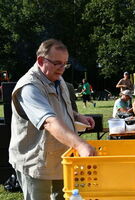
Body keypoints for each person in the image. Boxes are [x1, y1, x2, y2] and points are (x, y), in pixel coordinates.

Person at [9, 39, 96, 200]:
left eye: (65, 64)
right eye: (57, 63)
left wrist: (77, 116)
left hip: (61, 157)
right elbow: (48, 120)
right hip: (35, 161)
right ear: (41, 61)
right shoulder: (29, 87)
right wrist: (81, 145)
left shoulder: (57, 78)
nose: (62, 69)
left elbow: (62, 107)